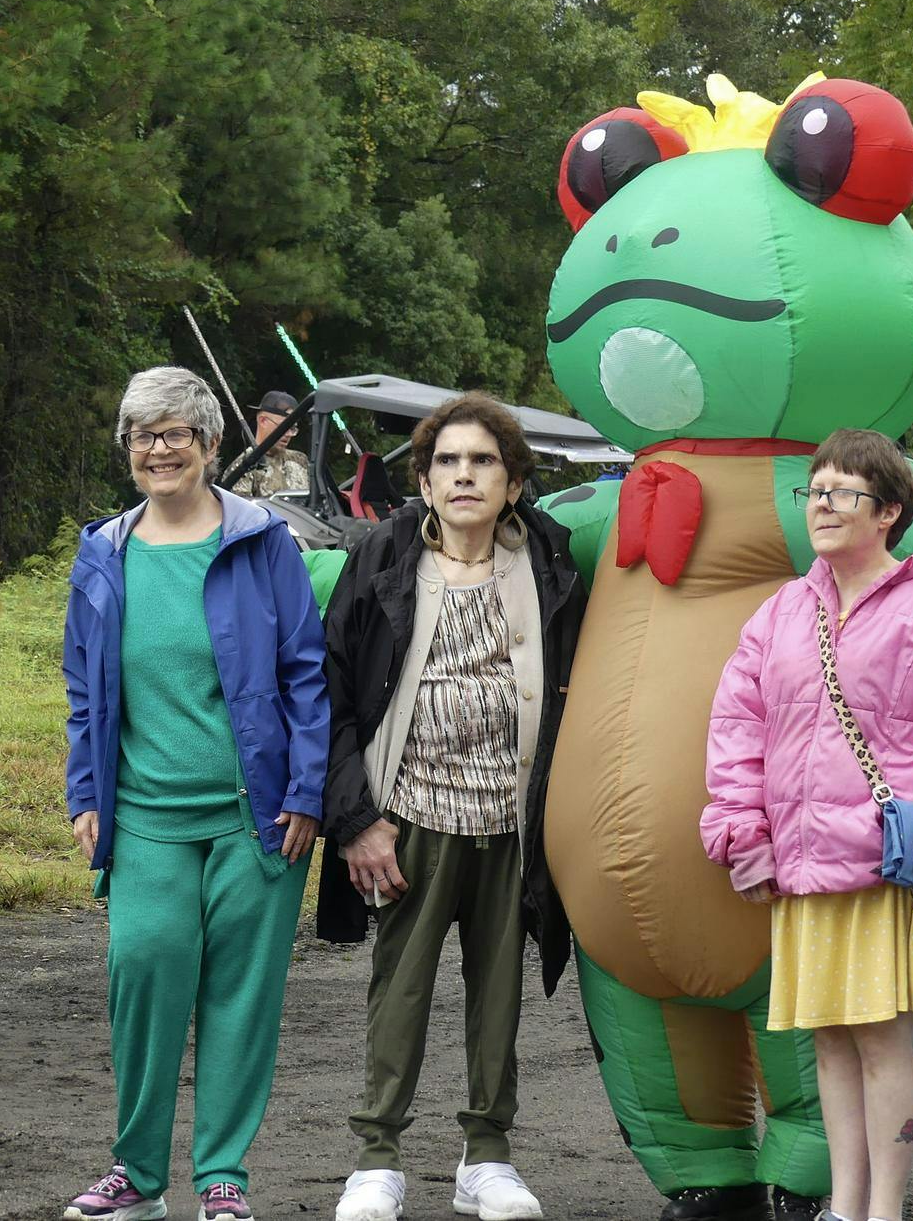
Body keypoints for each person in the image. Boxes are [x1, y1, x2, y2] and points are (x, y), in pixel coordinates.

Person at [702, 429, 913, 1221]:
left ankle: (887, 1211)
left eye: (842, 492)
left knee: (882, 1039)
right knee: (830, 1039)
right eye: (814, 491)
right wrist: (745, 835)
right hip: (804, 865)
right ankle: (845, 1204)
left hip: (888, 866)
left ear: (889, 512)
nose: (821, 506)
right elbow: (736, 731)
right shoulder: (781, 611)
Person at [62, 365, 328, 1221]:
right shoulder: (102, 552)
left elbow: (306, 675)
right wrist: (83, 791)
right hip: (142, 814)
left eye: (176, 432)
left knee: (240, 998)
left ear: (212, 445)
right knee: (143, 973)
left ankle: (222, 1179)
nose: (158, 449)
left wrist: (309, 790)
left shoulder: (262, 544)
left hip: (257, 817)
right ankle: (137, 1176)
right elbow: (82, 685)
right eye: (142, 434)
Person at [319, 392, 585, 1221]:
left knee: (498, 995)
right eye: (447, 462)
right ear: (425, 482)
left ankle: (490, 1158)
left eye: (483, 462)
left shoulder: (550, 561)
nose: (463, 475)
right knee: (398, 992)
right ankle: (376, 1160)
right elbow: (332, 691)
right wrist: (357, 818)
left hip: (512, 824)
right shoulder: (384, 556)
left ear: (513, 484)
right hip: (407, 818)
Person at [232, 388, 311, 498]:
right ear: (263, 421)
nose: (288, 434)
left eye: (293, 428)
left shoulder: (300, 460)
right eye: (284, 427)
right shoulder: (244, 466)